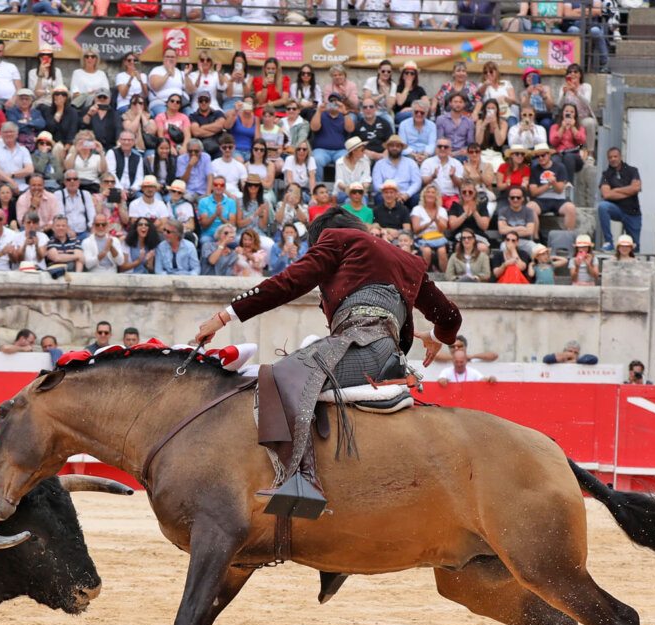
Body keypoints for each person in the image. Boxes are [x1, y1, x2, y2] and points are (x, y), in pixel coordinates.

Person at [194, 207, 461, 537]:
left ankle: (302, 481)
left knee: (277, 377)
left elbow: (288, 282)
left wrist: (224, 316)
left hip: (361, 346)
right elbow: (450, 316)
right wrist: (437, 337)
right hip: (388, 353)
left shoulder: (336, 239)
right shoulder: (409, 261)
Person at [597, 147, 642, 253]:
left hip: (632, 212)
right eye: (610, 157)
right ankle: (609, 242)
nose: (613, 159)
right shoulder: (606, 174)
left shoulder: (632, 170)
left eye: (615, 156)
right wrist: (629, 191)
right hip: (617, 210)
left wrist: (616, 190)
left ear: (620, 157)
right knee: (603, 206)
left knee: (635, 248)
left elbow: (637, 188)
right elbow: (606, 194)